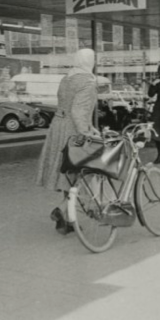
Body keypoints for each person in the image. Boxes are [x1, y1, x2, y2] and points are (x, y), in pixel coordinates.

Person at [35, 49, 100, 235]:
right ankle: (63, 209)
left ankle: (69, 220)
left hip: (58, 127)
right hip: (73, 130)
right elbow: (78, 112)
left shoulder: (67, 78)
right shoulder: (88, 81)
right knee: (88, 170)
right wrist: (88, 133)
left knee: (68, 174)